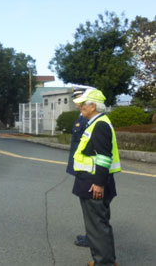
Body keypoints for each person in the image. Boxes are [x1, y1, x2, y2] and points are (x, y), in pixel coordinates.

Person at [72, 89, 121, 266]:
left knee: (97, 227)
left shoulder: (99, 125)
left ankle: (104, 263)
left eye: (83, 104)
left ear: (93, 106)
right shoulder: (97, 122)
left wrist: (99, 184)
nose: (80, 107)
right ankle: (104, 260)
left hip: (94, 183)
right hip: (93, 181)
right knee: (99, 224)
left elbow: (103, 157)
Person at [67, 86, 94, 248]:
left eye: (81, 100)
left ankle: (94, 238)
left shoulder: (89, 120)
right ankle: (90, 235)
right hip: (82, 169)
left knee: (92, 208)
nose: (78, 104)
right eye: (76, 100)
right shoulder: (82, 117)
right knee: (87, 206)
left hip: (89, 171)